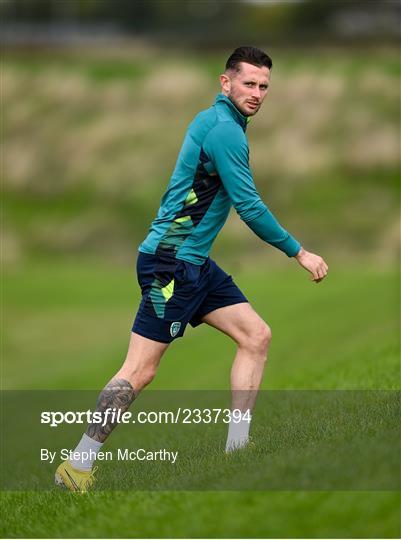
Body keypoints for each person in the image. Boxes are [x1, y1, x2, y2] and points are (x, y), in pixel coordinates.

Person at [55, 46, 328, 491]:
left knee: (255, 336)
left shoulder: (216, 121)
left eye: (263, 86)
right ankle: (78, 465)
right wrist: (299, 252)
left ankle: (237, 452)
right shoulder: (224, 131)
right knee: (140, 369)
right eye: (249, 83)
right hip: (172, 266)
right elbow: (251, 207)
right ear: (226, 82)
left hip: (193, 262)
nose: (257, 93)